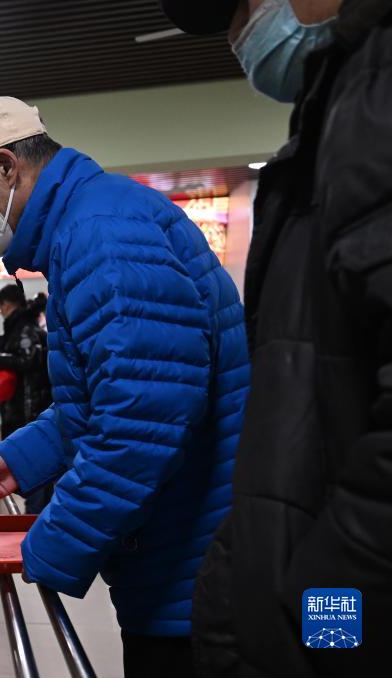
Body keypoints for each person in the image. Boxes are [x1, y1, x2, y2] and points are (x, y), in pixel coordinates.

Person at [0, 96, 249, 676]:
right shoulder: (92, 223)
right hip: (187, 551)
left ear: (5, 167)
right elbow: (111, 395)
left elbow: (142, 423)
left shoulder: (100, 234)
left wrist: (54, 542)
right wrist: (23, 457)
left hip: (198, 567)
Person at [160, 1, 392, 676]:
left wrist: (312, 620)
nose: (239, 35)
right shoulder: (338, 104)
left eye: (242, 8)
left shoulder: (374, 95)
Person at [0, 285, 53, 513]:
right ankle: (36, 519)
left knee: (33, 469)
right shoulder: (27, 325)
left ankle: (33, 522)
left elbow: (27, 361)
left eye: (0, 308)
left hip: (28, 411)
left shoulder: (23, 328)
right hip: (30, 409)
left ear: (6, 305)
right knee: (35, 471)